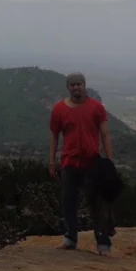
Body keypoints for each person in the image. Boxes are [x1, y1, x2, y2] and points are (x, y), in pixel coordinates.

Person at [49, 72, 115, 256]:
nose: (76, 87)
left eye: (79, 84)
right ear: (68, 87)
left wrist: (109, 161)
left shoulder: (96, 108)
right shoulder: (59, 109)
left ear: (84, 85)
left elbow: (105, 135)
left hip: (91, 162)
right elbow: (54, 136)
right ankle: (70, 239)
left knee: (96, 204)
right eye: (73, 85)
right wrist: (51, 162)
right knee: (68, 203)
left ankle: (103, 244)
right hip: (69, 162)